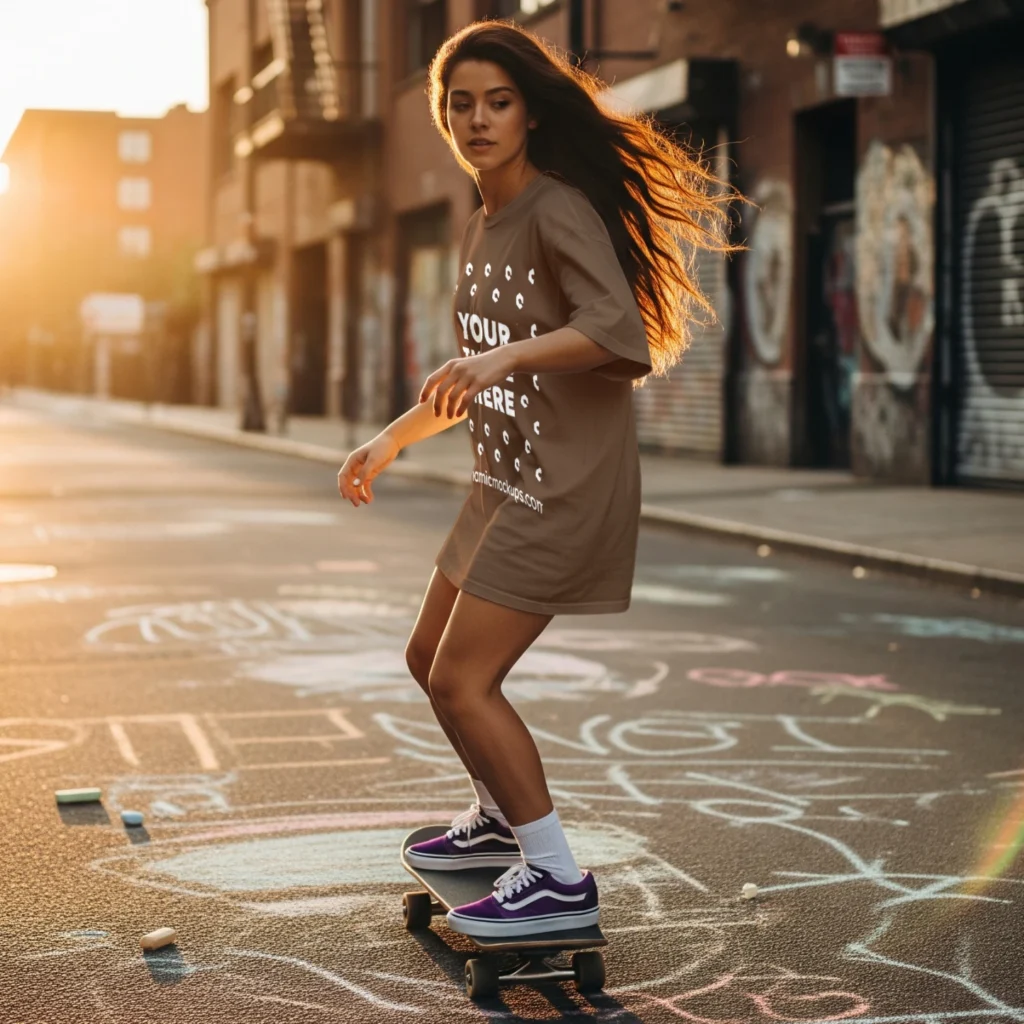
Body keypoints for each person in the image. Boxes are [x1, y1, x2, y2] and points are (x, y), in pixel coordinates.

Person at [337, 19, 735, 939]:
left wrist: (508, 357)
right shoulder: (483, 221)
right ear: (444, 119)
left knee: (467, 680)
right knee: (424, 662)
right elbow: (480, 369)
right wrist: (392, 438)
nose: (478, 118)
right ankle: (495, 821)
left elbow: (618, 336)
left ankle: (555, 874)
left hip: (562, 489)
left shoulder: (556, 208)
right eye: (460, 103)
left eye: (498, 101)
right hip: (503, 479)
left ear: (528, 114)